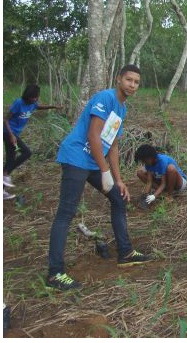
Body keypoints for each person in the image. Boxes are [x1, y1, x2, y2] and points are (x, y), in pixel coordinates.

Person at [46, 64, 153, 291]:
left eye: (136, 82)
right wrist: (104, 171)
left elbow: (111, 144)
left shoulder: (122, 109)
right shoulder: (105, 98)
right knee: (66, 213)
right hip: (76, 157)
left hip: (94, 162)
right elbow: (93, 135)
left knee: (118, 197)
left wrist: (118, 178)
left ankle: (125, 252)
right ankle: (55, 273)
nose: (132, 85)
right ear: (119, 79)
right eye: (129, 80)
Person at [3, 85, 61, 199]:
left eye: (36, 97)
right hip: (7, 132)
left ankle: (3, 184)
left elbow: (39, 107)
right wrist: (11, 135)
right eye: (33, 97)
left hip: (15, 134)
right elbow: (5, 119)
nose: (35, 99)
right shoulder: (18, 103)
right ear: (27, 96)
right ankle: (4, 174)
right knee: (26, 152)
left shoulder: (33, 104)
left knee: (11, 159)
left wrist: (54, 106)